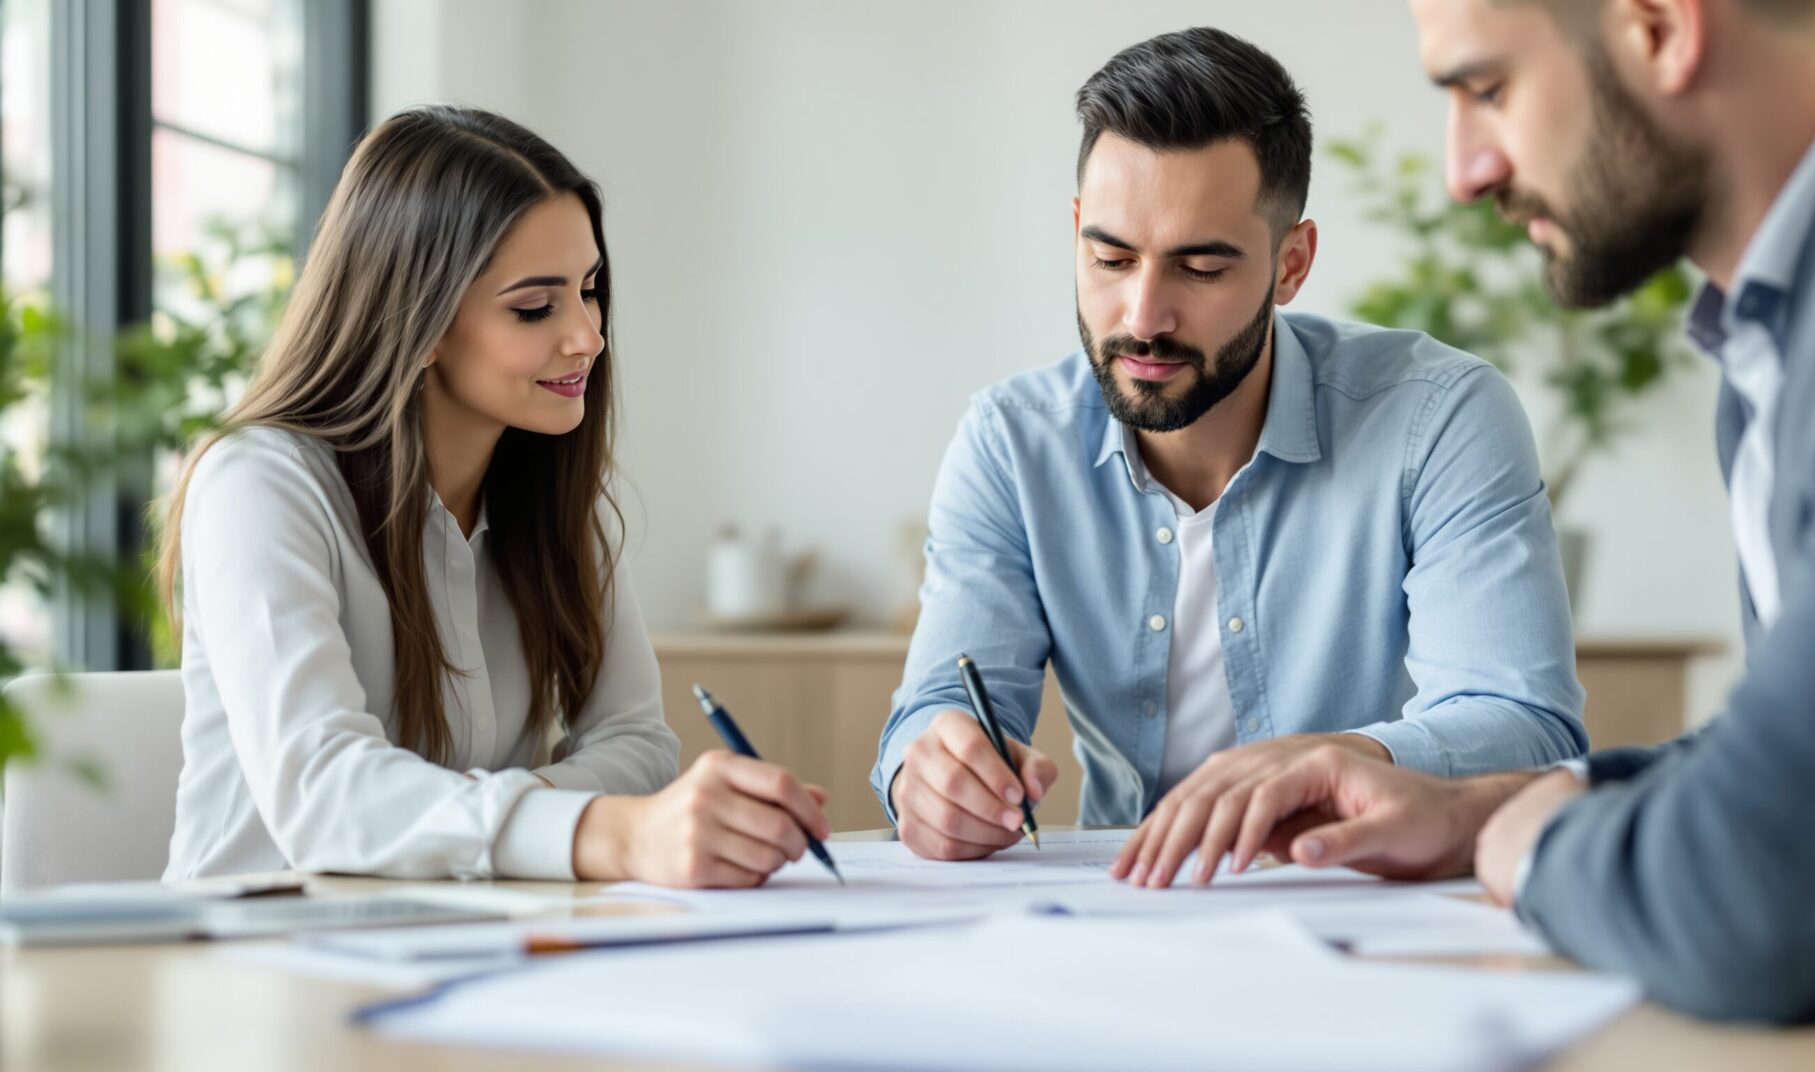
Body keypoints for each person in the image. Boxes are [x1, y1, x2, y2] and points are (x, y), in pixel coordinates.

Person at [1141, 0, 1815, 1023]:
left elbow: (1766, 885)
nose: (1466, 171)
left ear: (1658, 25)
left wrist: (1537, 842)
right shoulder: (1778, 325)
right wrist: (1480, 809)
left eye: (1487, 89)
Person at [874, 28, 1588, 871]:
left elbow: (1526, 724)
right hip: (1115, 912)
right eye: (1110, 256)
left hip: (1354, 903)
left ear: (1292, 264)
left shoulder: (1438, 419)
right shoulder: (1009, 445)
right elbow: (937, 711)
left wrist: (1349, 760)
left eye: (1200, 269)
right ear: (1076, 233)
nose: (1143, 316)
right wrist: (931, 773)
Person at [160, 106, 829, 888]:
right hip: (250, 968)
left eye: (589, 290)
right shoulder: (260, 485)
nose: (587, 335)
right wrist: (595, 831)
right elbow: (322, 796)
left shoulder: (552, 500)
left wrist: (502, 819)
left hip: (467, 944)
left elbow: (639, 747)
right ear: (422, 320)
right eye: (535, 307)